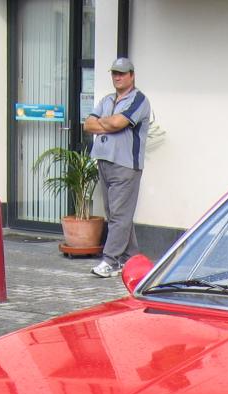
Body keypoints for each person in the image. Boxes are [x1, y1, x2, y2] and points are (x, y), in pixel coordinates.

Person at [84, 57, 152, 278]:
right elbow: (88, 124)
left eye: (122, 73)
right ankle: (130, 259)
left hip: (126, 164)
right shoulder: (107, 99)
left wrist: (105, 122)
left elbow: (117, 123)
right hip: (104, 161)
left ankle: (110, 261)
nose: (117, 77)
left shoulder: (139, 99)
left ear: (132, 75)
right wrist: (109, 123)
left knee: (119, 215)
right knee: (116, 213)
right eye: (114, 73)